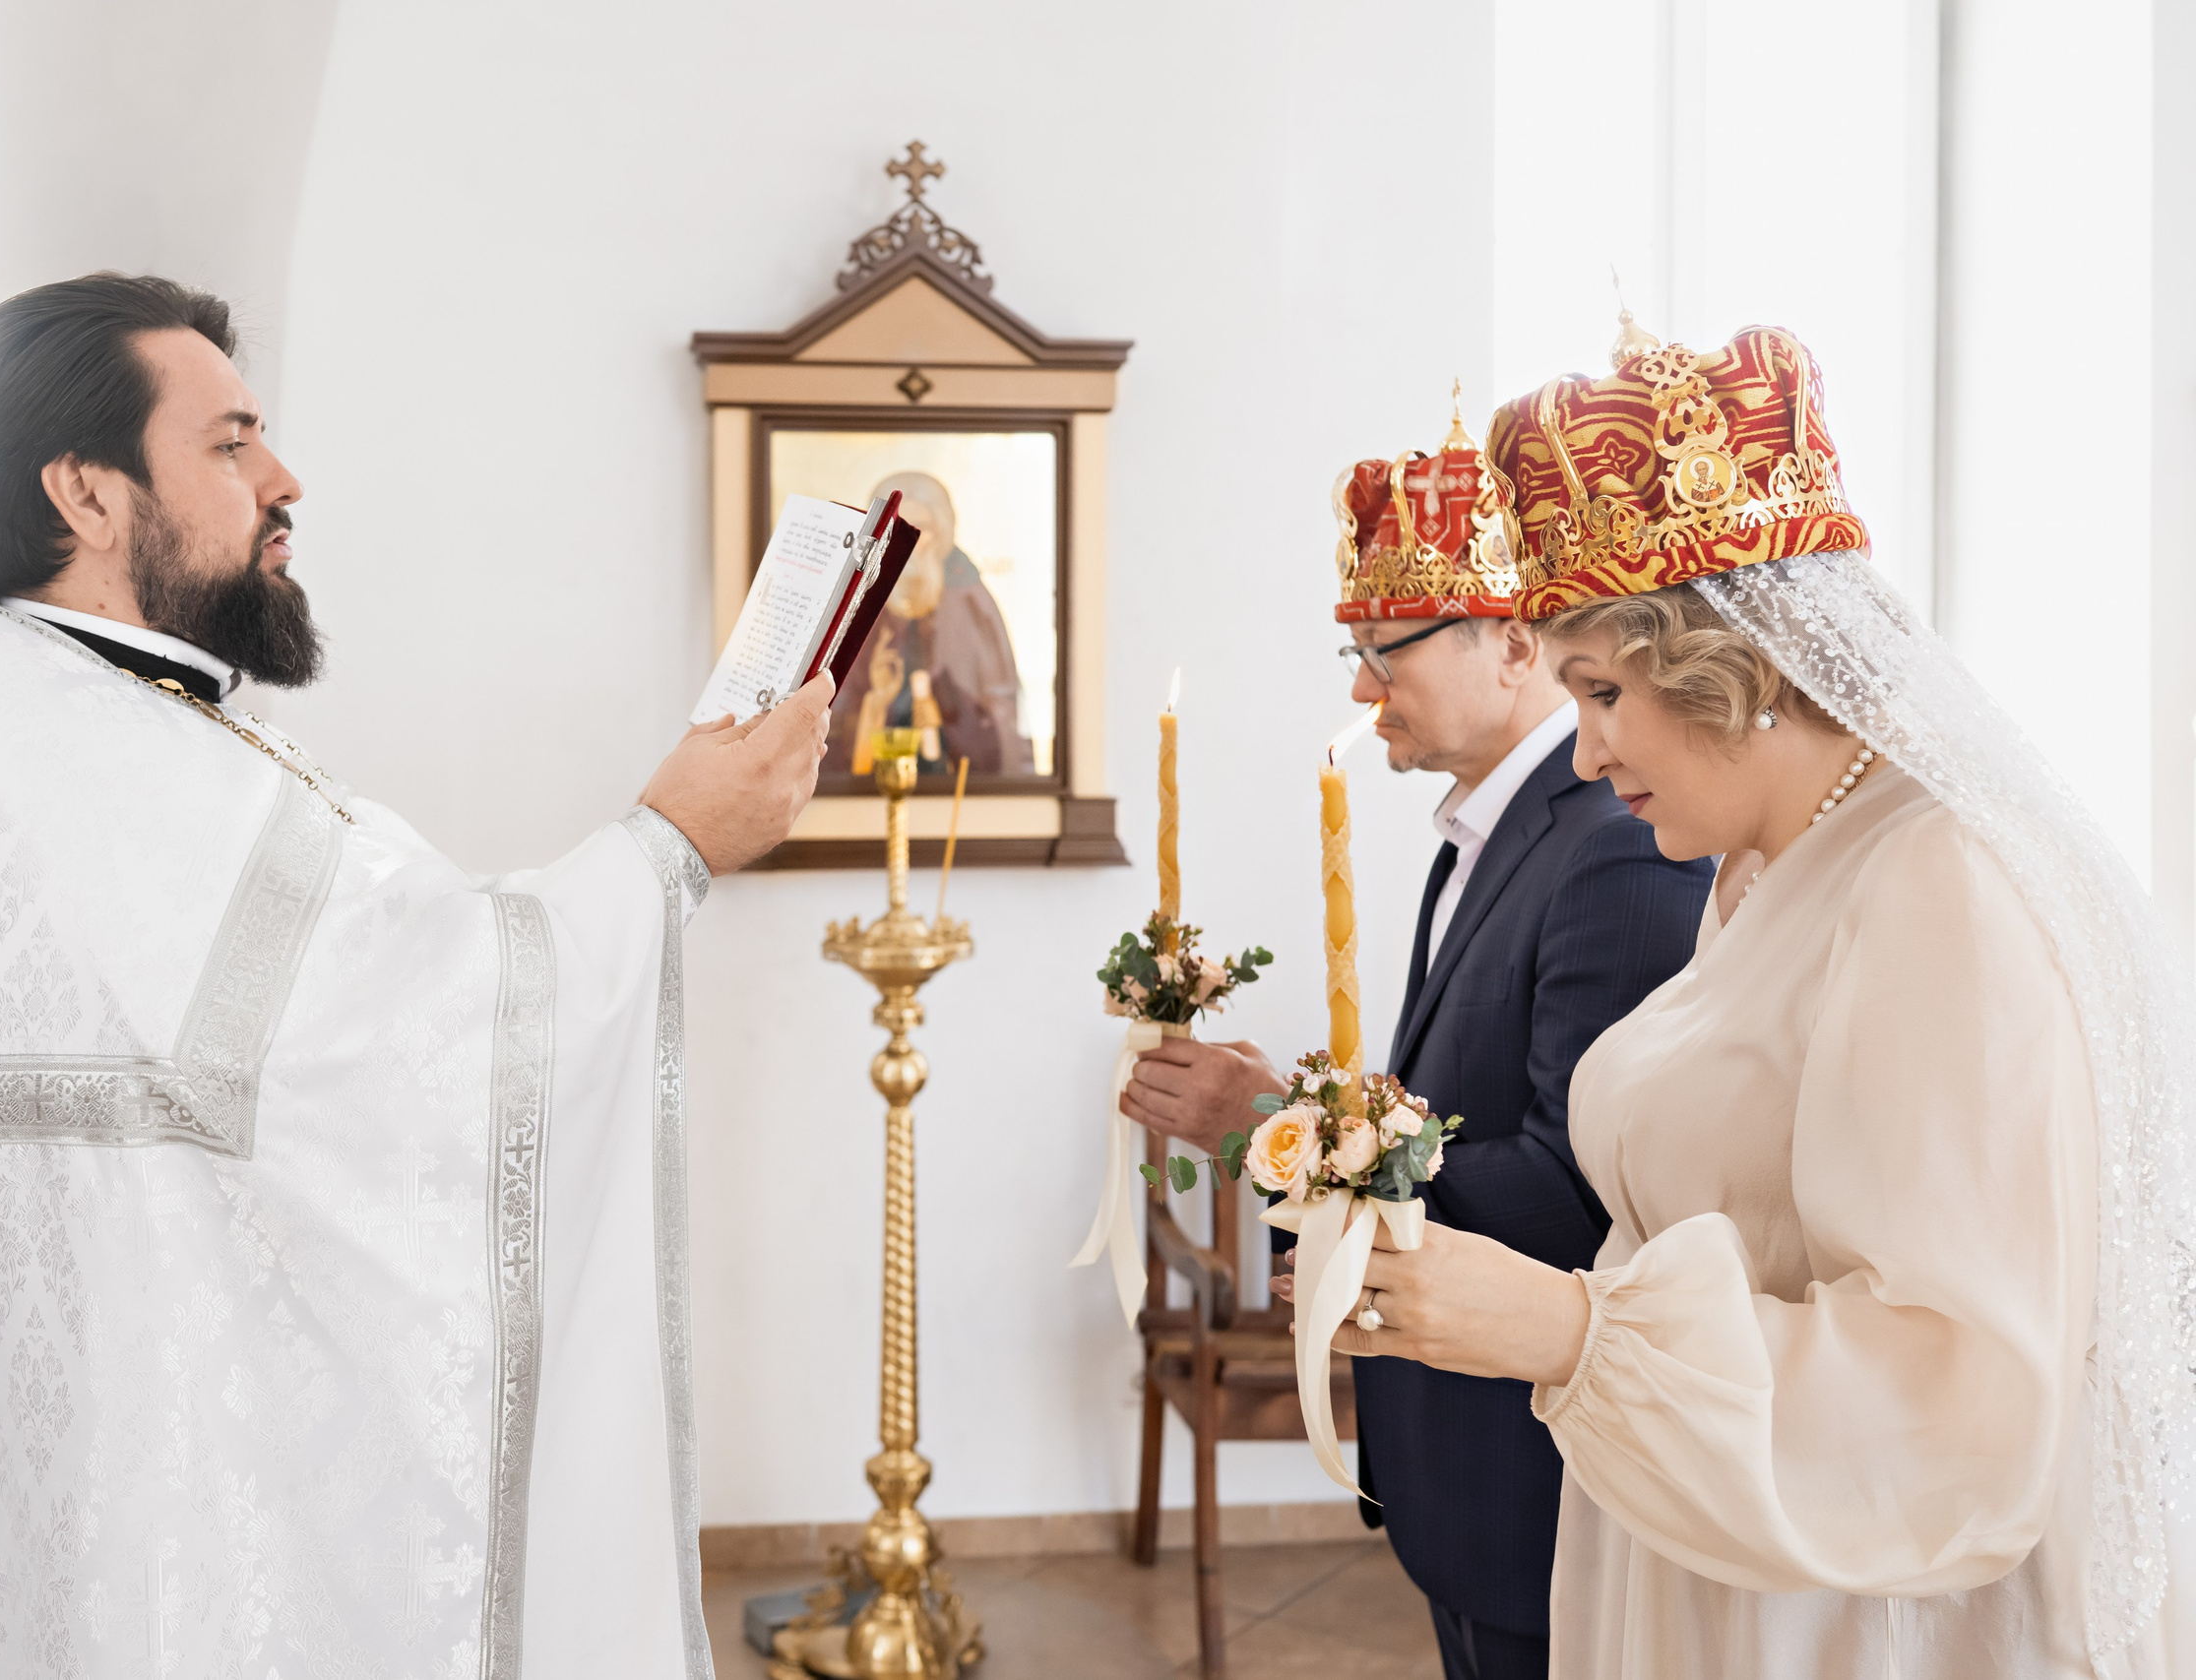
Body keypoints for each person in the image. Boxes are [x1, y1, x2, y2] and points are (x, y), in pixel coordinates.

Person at [0, 274, 829, 1677]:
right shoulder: (114, 772)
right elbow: (424, 1028)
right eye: (230, 444)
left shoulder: (89, 737)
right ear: (89, 494)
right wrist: (670, 848)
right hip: (153, 1482)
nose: (282, 479)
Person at [1320, 316, 2196, 1677]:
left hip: (1849, 1615)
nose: (1590, 746)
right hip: (1720, 1561)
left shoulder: (1937, 878)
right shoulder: (1758, 867)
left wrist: (1566, 1326)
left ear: (1744, 661)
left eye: (1607, 691)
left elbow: (1961, 1397)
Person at [1121, 401, 1709, 1680]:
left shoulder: (1612, 846)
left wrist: (1278, 1130)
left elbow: (1575, 1191)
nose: (1361, 682)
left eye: (1387, 645)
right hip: (1453, 1452)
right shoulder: (1496, 829)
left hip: (1532, 1474)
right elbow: (1444, 1107)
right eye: (1356, 646)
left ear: (1510, 642)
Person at [830, 468, 1033, 777]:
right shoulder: (861, 595)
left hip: (949, 771)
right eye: (898, 529)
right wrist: (877, 702)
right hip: (874, 771)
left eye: (921, 528)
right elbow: (838, 701)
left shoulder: (968, 597)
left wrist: (947, 713)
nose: (910, 542)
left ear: (942, 530)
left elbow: (997, 702)